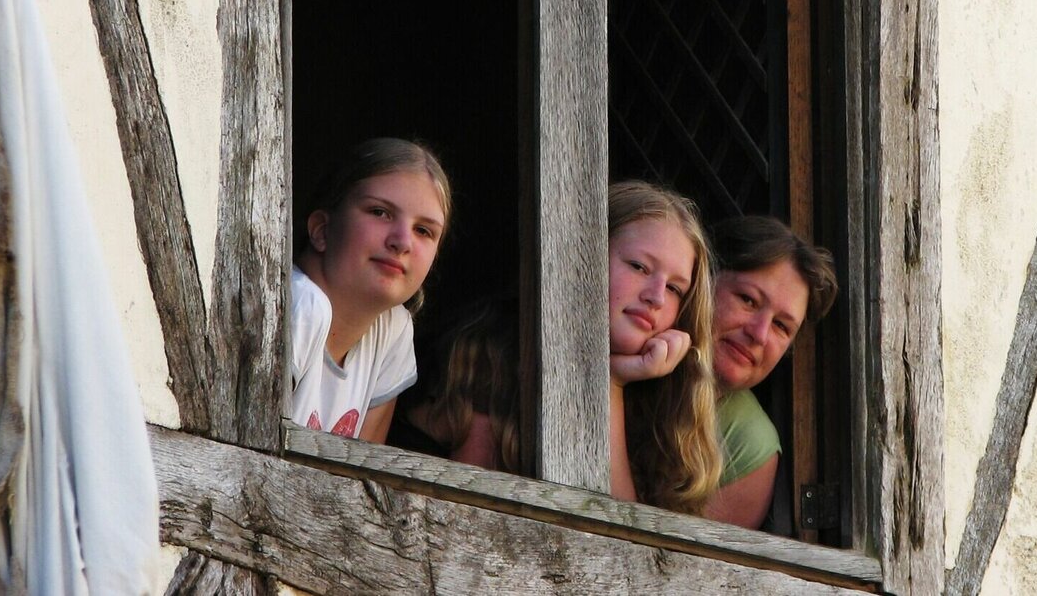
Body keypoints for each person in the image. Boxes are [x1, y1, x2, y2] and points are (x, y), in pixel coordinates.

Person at [411, 181, 721, 515]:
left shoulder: (669, 403)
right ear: (585, 257)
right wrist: (611, 379)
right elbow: (469, 512)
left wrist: (613, 381)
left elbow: (624, 546)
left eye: (675, 288)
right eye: (639, 267)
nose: (656, 296)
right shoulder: (492, 349)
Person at [288, 137, 451, 443]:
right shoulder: (300, 306)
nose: (402, 242)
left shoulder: (393, 330)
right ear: (322, 229)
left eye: (424, 231)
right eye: (379, 212)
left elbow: (360, 477)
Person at [701, 216, 838, 529]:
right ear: (704, 280)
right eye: (748, 300)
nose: (759, 334)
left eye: (781, 326)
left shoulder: (750, 445)